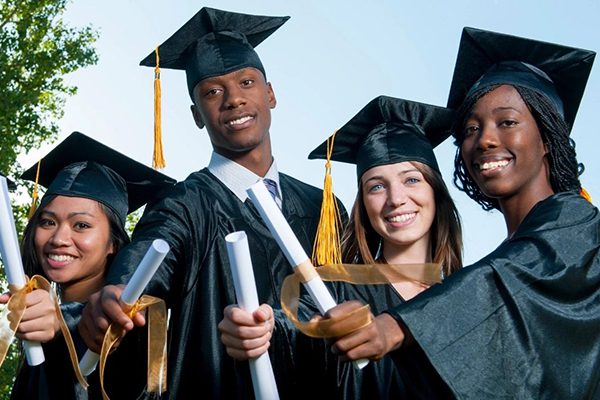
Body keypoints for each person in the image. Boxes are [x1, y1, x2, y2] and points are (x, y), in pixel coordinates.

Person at [324, 27, 600, 399]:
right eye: (471, 128)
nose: (484, 139)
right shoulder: (507, 254)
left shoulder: (578, 225)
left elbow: (510, 277)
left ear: (548, 137)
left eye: (507, 122)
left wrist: (395, 326)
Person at [77, 7, 332, 399]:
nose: (233, 99)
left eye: (247, 82)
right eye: (212, 92)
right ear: (197, 115)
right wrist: (116, 292)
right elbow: (150, 254)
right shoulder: (182, 203)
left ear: (271, 94)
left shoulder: (323, 207)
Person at [219, 95, 463, 399]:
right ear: (363, 205)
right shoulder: (338, 292)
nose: (396, 198)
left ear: (436, 192)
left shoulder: (470, 291)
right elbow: (296, 325)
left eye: (412, 180)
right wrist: (263, 327)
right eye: (376, 185)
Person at [5, 132, 175, 399]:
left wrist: (63, 325)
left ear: (114, 244)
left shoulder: (134, 327)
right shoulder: (36, 335)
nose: (58, 239)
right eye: (48, 222)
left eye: (81, 225)